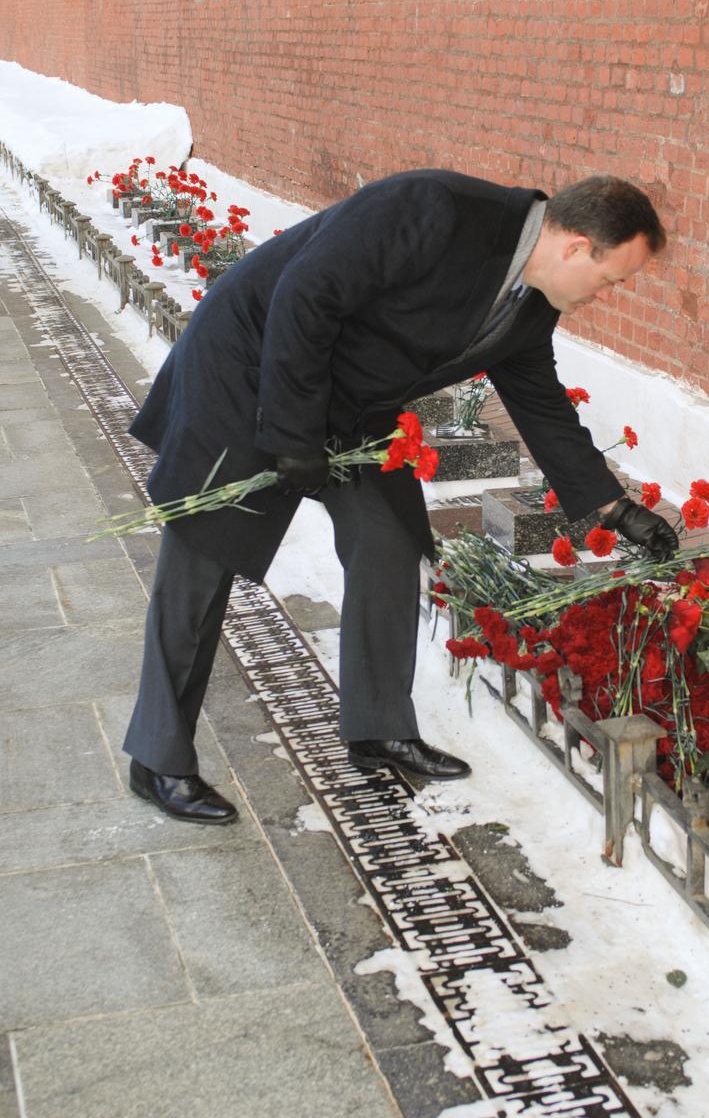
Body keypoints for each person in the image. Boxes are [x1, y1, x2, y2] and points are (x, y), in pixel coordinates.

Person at [123, 168, 678, 824]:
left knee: (387, 540)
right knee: (202, 562)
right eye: (610, 280)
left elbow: (540, 403)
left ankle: (377, 726)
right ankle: (157, 759)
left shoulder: (530, 300)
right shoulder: (436, 209)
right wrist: (293, 434)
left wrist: (616, 509)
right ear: (577, 247)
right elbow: (306, 292)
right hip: (252, 368)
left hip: (351, 404)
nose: (602, 296)